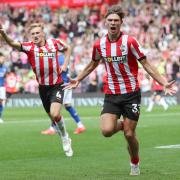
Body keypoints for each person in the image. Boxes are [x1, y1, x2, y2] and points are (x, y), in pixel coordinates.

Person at [64, 5, 176, 175]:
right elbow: (93, 64)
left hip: (131, 94)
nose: (113, 23)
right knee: (106, 131)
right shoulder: (99, 44)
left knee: (130, 135)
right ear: (105, 22)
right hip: (111, 93)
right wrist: (78, 79)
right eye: (110, 20)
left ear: (121, 23)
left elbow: (145, 63)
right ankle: (126, 123)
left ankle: (135, 162)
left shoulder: (130, 42)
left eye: (116, 20)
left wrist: (163, 82)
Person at [0, 23, 73, 157]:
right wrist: (4, 34)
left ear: (43, 34)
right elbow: (12, 43)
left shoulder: (54, 43)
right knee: (53, 118)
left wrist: (65, 64)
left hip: (57, 85)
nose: (35, 36)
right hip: (43, 88)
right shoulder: (29, 47)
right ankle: (62, 134)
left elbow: (68, 48)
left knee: (55, 114)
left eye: (37, 33)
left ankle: (65, 137)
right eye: (32, 34)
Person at [41, 53, 86, 135]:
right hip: (65, 83)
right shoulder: (61, 57)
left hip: (61, 85)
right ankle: (80, 126)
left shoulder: (59, 58)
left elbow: (61, 70)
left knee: (55, 106)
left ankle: (52, 128)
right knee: (68, 106)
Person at [0, 52, 7, 123]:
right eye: (2, 58)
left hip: (2, 87)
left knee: (2, 102)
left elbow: (4, 77)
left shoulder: (5, 67)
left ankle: (0, 117)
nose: (3, 60)